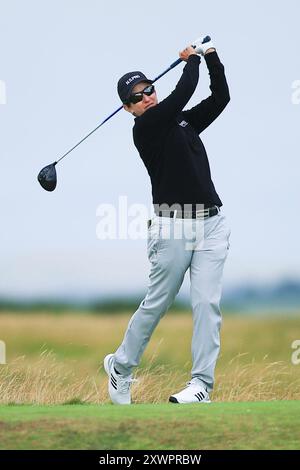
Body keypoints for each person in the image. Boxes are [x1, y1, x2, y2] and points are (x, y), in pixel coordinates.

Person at [104, 37, 231, 404]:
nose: (148, 97)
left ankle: (201, 385)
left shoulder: (183, 122)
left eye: (149, 90)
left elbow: (220, 97)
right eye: (138, 96)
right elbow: (183, 92)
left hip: (212, 224)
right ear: (129, 108)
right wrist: (190, 61)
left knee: (207, 304)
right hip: (172, 226)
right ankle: (121, 367)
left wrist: (211, 56)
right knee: (158, 302)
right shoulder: (146, 128)